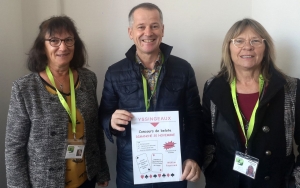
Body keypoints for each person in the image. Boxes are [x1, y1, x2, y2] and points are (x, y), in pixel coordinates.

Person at [99, 2, 203, 188]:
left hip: (173, 172)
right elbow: (103, 115)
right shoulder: (115, 72)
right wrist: (111, 122)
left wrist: (192, 156)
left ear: (162, 30)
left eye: (154, 26)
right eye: (141, 27)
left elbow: (195, 120)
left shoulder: (183, 69)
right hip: (131, 174)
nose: (148, 33)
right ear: (131, 32)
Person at [5, 16, 110, 188]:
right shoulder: (24, 88)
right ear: (42, 46)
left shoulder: (88, 79)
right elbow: (14, 147)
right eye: (54, 40)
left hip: (86, 179)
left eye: (68, 40)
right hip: (46, 182)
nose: (63, 47)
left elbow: (95, 129)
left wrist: (102, 170)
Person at [202, 18, 300, 188]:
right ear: (229, 47)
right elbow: (205, 137)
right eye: (239, 41)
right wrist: (212, 168)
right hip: (226, 182)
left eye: (255, 41)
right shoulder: (213, 87)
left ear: (266, 48)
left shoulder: (291, 88)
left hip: (276, 183)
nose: (247, 46)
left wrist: (295, 180)